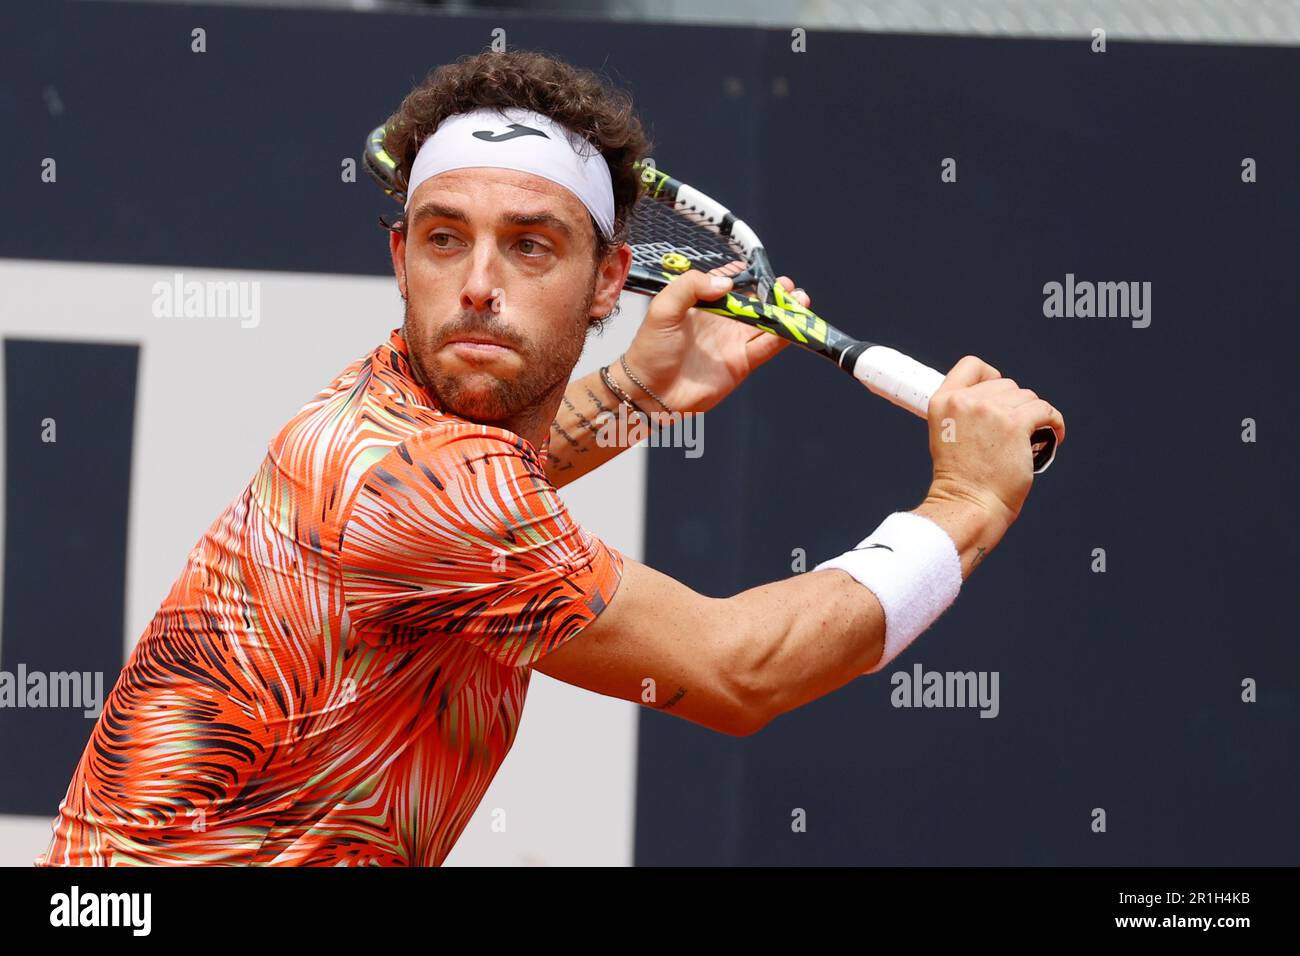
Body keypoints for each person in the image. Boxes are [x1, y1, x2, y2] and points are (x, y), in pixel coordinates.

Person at [36, 49, 1064, 866]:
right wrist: (966, 500)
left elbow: (487, 486)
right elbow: (739, 673)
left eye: (530, 244)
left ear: (609, 278)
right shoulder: (430, 486)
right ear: (402, 258)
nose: (478, 281)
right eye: (444, 238)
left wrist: (638, 393)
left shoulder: (379, 410)